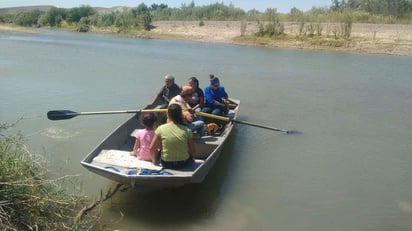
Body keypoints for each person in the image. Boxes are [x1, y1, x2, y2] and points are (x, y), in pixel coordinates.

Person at [150, 104, 195, 169]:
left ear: (168, 115)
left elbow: (152, 148)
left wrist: (154, 162)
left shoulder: (160, 128)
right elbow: (192, 150)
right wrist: (192, 158)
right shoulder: (187, 130)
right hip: (182, 163)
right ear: (180, 115)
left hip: (166, 164)